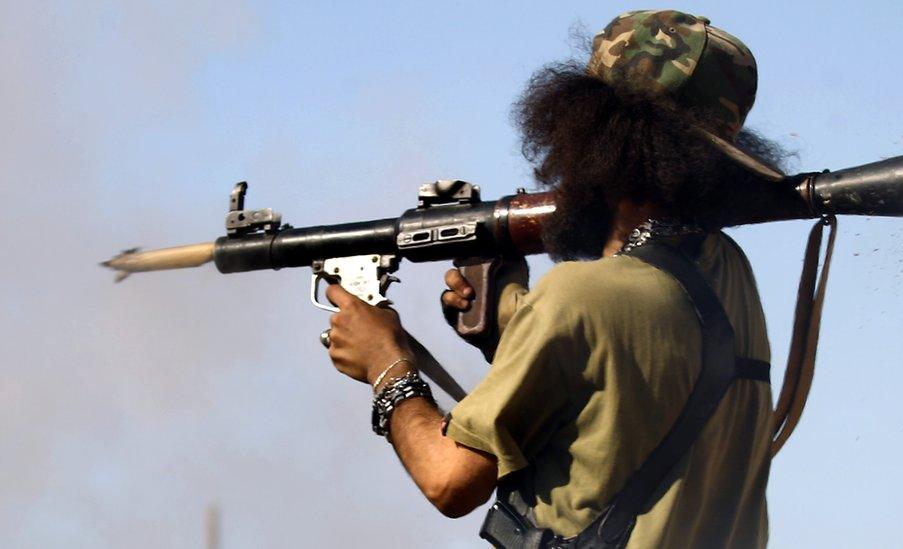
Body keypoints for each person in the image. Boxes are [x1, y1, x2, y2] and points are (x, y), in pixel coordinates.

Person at [325, 9, 789, 547]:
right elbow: (623, 393)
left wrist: (386, 364)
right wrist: (511, 324)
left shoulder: (578, 297)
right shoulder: (730, 272)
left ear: (591, 131)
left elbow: (448, 480)